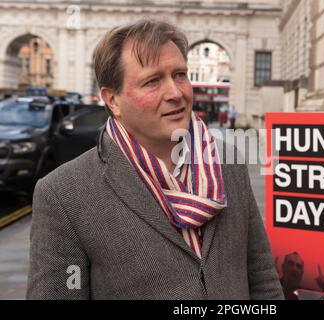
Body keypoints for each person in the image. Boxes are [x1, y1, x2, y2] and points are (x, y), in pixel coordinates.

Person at [27, 19, 283, 300]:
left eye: (180, 75)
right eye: (152, 81)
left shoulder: (229, 162)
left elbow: (261, 274)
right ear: (112, 100)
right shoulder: (64, 195)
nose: (176, 93)